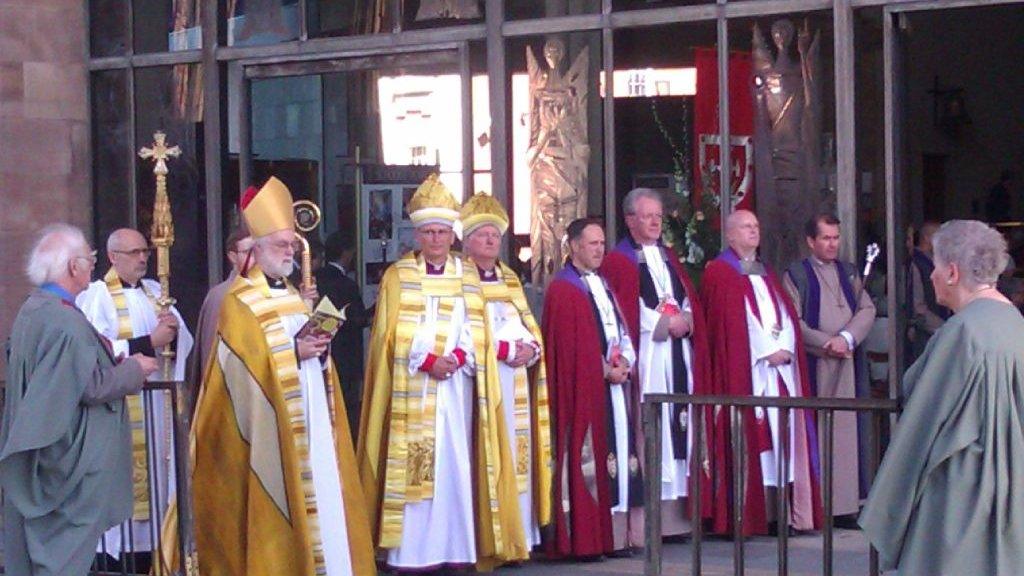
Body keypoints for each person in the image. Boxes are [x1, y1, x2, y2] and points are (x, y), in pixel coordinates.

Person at [190, 176, 375, 575]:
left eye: (292, 244)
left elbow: (306, 353)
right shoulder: (239, 301)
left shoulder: (293, 295)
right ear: (255, 250)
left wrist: (319, 352)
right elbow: (238, 376)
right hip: (271, 429)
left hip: (311, 421)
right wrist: (294, 352)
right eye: (281, 245)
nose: (290, 251)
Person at [860, 220, 1024, 574]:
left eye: (934, 265)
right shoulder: (1015, 323)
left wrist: (891, 504)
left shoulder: (962, 332)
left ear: (951, 272)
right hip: (1012, 487)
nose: (931, 274)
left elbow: (923, 418)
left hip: (961, 493)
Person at [0, 223, 158, 576]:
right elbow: (89, 387)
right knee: (64, 559)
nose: (92, 266)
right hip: (68, 465)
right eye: (90, 259)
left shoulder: (34, 310)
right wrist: (134, 368)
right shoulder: (65, 322)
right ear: (74, 267)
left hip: (45, 460)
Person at [358, 174, 487, 572]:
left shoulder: (467, 275)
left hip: (455, 387)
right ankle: (410, 552)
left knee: (453, 465)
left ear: (453, 235)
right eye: (428, 232)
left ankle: (455, 547)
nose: (435, 240)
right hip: (413, 384)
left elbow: (476, 325)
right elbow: (389, 334)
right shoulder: (399, 275)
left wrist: (461, 355)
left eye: (442, 232)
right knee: (414, 465)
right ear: (417, 236)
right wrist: (428, 359)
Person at [600, 188, 712, 541]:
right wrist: (668, 324)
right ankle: (651, 522)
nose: (654, 222)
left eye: (658, 216)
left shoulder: (668, 256)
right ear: (630, 219)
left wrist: (688, 319)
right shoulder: (619, 260)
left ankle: (679, 520)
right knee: (654, 431)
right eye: (647, 216)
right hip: (650, 354)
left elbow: (685, 298)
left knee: (681, 428)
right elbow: (625, 311)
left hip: (677, 354)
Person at [76, 227, 194, 563]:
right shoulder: (97, 296)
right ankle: (119, 555)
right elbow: (97, 351)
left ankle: (160, 549)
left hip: (158, 409)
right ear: (113, 257)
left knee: (161, 481)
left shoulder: (158, 292)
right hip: (124, 410)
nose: (143, 258)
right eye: (134, 253)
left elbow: (183, 345)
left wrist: (174, 333)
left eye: (145, 251)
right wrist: (149, 342)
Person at [700, 209, 821, 536]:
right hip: (751, 371)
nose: (754, 231)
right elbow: (731, 324)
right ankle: (751, 515)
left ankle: (782, 512)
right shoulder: (720, 273)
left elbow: (785, 313)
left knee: (783, 439)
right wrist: (767, 350)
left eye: (756, 225)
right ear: (729, 234)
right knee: (756, 438)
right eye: (746, 227)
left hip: (778, 371)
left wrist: (786, 344)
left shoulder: (766, 271)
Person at [460, 192, 553, 567]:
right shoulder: (459, 279)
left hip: (515, 379)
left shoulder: (510, 277)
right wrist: (499, 351)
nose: (490, 241)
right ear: (466, 241)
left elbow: (527, 322)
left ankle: (520, 538)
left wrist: (532, 349)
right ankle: (488, 538)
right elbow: (462, 330)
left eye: (495, 235)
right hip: (484, 381)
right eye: (482, 235)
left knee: (519, 457)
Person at [542, 217, 640, 559]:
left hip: (614, 387)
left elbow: (620, 330)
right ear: (574, 246)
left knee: (617, 456)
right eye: (592, 244)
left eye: (602, 244)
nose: (600, 250)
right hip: (584, 392)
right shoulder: (564, 288)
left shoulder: (603, 283)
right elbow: (571, 349)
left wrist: (625, 361)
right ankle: (584, 539)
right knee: (588, 457)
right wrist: (604, 370)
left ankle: (613, 537)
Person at [784, 213, 876, 527]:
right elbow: (792, 320)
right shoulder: (796, 274)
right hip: (817, 364)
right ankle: (819, 507)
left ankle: (847, 506)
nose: (832, 244)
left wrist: (847, 338)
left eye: (836, 238)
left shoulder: (849, 272)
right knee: (819, 432)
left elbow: (867, 308)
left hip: (847, 363)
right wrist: (827, 343)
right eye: (825, 238)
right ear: (811, 241)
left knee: (847, 434)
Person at [187, 224, 253, 416]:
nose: (256, 259)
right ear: (233, 257)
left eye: (259, 251)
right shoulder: (222, 295)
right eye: (249, 252)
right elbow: (211, 351)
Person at [315, 229, 372, 437]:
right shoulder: (346, 284)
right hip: (347, 356)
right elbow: (358, 319)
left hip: (321, 352)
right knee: (347, 411)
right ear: (346, 253)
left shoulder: (315, 279)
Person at [907, 221, 950, 363]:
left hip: (939, 329)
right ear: (927, 238)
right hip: (926, 333)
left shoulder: (934, 261)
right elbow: (917, 305)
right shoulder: (916, 263)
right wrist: (943, 328)